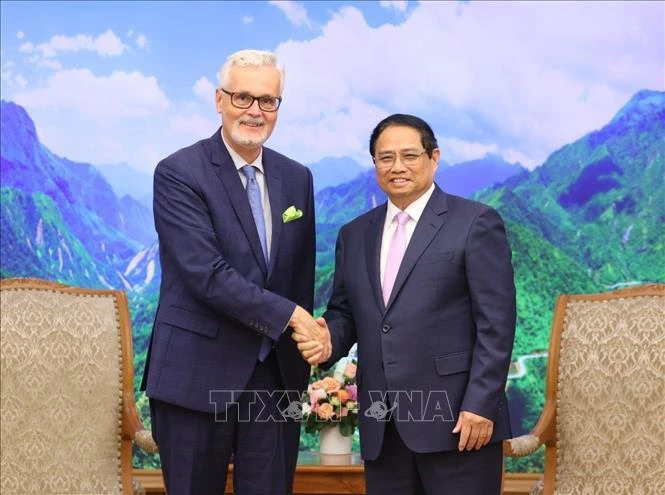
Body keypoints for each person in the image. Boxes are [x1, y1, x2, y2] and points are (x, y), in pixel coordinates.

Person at [295, 114, 516, 494]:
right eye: (385, 158)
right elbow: (346, 312)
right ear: (375, 164)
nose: (397, 167)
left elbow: (496, 324)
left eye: (409, 155)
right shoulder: (355, 234)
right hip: (383, 429)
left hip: (459, 424)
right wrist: (328, 336)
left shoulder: (475, 222)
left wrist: (481, 404)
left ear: (434, 157)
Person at [141, 49, 326, 495]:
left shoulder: (296, 177)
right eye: (243, 97)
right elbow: (206, 273)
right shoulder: (179, 172)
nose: (255, 111)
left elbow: (299, 274)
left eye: (268, 101)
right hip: (195, 375)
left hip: (274, 380)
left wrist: (303, 340)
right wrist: (293, 317)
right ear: (219, 99)